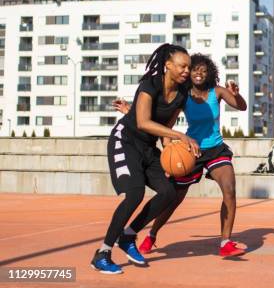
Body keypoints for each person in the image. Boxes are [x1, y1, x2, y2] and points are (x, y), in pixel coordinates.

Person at [114, 53, 248, 257]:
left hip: (216, 149)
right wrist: (132, 113)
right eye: (195, 70)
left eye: (203, 70)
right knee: (173, 198)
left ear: (209, 73)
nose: (199, 73)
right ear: (189, 72)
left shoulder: (217, 92)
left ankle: (225, 242)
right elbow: (164, 122)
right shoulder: (183, 96)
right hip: (191, 150)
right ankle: (152, 234)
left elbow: (241, 106)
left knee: (229, 190)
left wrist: (236, 95)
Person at [91, 44, 200, 274]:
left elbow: (165, 129)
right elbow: (143, 122)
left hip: (148, 147)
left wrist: (171, 157)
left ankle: (128, 236)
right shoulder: (150, 85)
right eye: (182, 66)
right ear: (168, 65)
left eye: (188, 67)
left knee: (169, 191)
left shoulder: (180, 94)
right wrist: (181, 135)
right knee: (134, 193)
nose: (186, 71)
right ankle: (102, 253)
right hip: (125, 142)